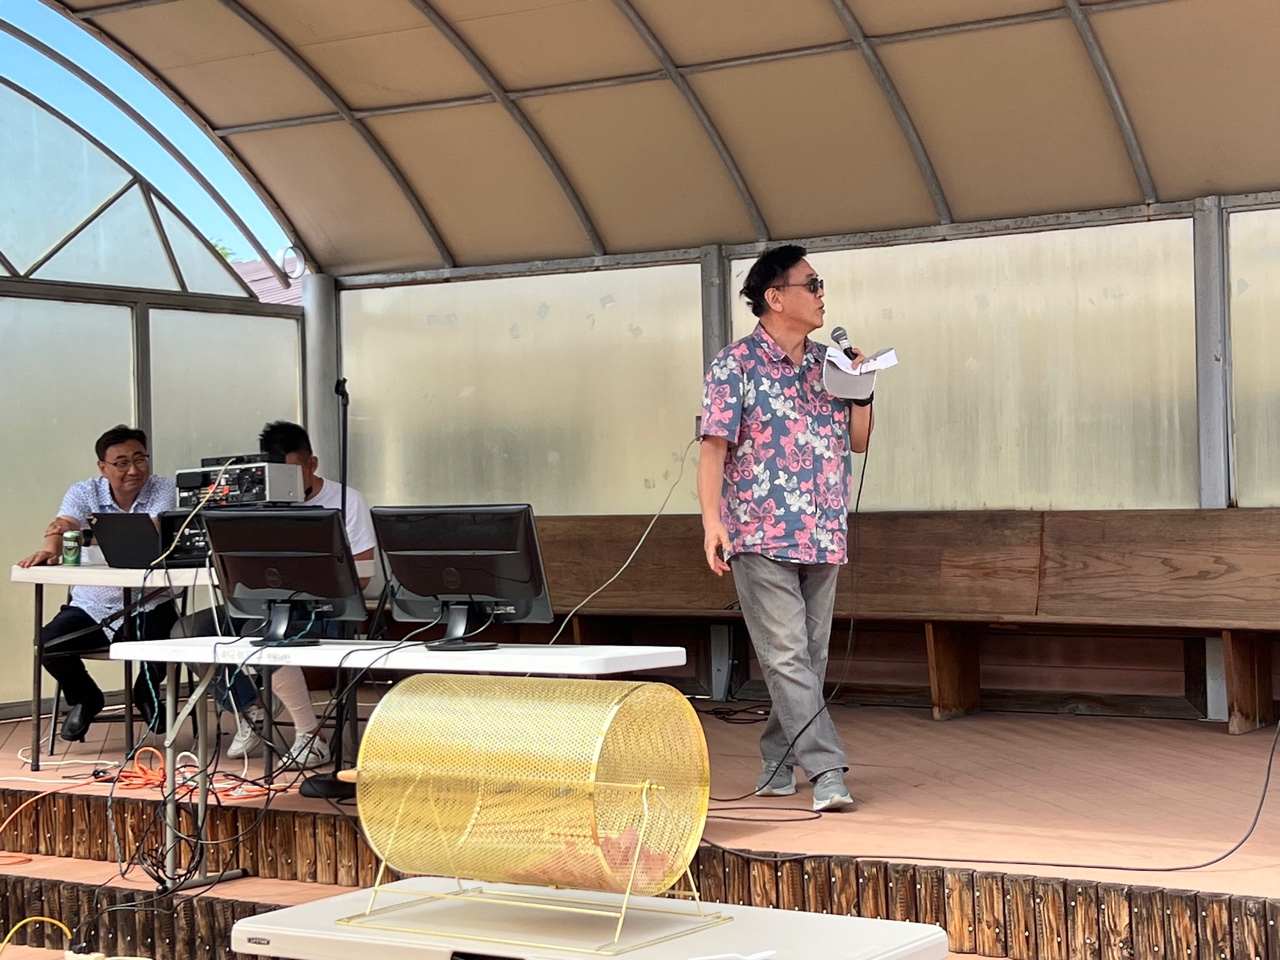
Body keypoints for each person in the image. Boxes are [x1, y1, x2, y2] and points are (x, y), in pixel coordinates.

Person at [697, 245, 873, 813]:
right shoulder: (735, 364)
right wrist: (712, 523)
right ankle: (828, 770)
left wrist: (864, 389)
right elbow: (713, 449)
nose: (822, 294)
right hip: (759, 534)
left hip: (823, 532)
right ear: (775, 297)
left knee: (807, 660)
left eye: (821, 284)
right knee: (788, 657)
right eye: (811, 284)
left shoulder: (829, 363)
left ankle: (776, 761)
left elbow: (858, 441)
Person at [176, 421, 376, 770]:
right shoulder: (258, 500)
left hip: (324, 610)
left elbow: (363, 574)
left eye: (292, 473)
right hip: (260, 603)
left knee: (261, 630)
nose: (285, 484)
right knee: (187, 632)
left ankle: (311, 735)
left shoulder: (348, 500)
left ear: (312, 464)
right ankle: (249, 707)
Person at [18, 425, 179, 742]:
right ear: (102, 467)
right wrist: (50, 549)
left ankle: (146, 693)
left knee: (166, 640)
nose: (133, 470)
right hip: (92, 605)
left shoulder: (164, 488)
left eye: (140, 459)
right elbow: (65, 524)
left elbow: (150, 530)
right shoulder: (83, 491)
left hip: (149, 601)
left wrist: (84, 537)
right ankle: (86, 697)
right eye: (121, 463)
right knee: (48, 645)